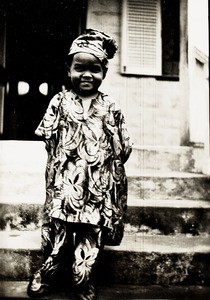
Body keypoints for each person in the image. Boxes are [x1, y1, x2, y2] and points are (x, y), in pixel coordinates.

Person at [27, 29, 132, 300]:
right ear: (69, 69)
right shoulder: (59, 101)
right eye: (79, 68)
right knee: (59, 237)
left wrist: (101, 168)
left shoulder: (111, 106)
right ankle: (49, 274)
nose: (87, 74)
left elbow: (123, 148)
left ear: (104, 72)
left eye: (94, 69)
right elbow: (48, 139)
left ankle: (82, 279)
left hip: (96, 189)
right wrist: (65, 166)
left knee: (90, 237)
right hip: (65, 186)